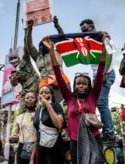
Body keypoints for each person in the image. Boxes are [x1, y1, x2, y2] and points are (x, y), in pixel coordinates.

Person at [41, 33, 108, 164]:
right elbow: (58, 75)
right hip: (75, 140)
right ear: (74, 85)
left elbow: (100, 72)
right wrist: (51, 50)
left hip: (93, 138)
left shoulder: (93, 96)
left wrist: (104, 47)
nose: (81, 86)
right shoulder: (69, 98)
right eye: (78, 83)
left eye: (84, 83)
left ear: (89, 86)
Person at [80, 19, 116, 143]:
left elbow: (111, 53)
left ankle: (110, 133)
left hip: (106, 73)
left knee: (101, 102)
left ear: (93, 26)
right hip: (96, 76)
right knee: (92, 103)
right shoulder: (87, 42)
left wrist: (104, 72)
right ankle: (100, 131)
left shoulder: (103, 37)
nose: (84, 33)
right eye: (82, 31)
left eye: (86, 30)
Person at [25, 16, 70, 104]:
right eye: (42, 43)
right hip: (45, 85)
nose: (45, 44)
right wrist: (29, 29)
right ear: (39, 47)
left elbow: (62, 39)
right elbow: (29, 45)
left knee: (63, 107)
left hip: (61, 82)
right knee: (47, 108)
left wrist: (57, 25)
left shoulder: (57, 52)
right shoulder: (37, 56)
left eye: (47, 42)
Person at [9, 20, 41, 114]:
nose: (13, 60)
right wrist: (14, 80)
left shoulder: (25, 60)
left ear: (18, 57)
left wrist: (27, 30)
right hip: (26, 95)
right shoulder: (14, 73)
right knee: (21, 115)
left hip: (38, 90)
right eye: (11, 59)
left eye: (14, 57)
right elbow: (13, 83)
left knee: (40, 113)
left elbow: (26, 46)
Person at [32, 85, 64, 164]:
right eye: (41, 93)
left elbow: (59, 125)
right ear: (38, 96)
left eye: (46, 93)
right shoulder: (38, 110)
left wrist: (48, 105)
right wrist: (32, 158)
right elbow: (37, 132)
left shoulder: (56, 106)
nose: (43, 95)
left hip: (54, 148)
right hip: (40, 149)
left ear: (51, 95)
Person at [10, 92, 37, 164]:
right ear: (24, 101)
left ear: (36, 100)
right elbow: (13, 134)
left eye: (32, 97)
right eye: (27, 98)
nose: (30, 99)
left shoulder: (41, 114)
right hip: (22, 147)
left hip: (37, 147)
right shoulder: (19, 117)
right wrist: (13, 137)